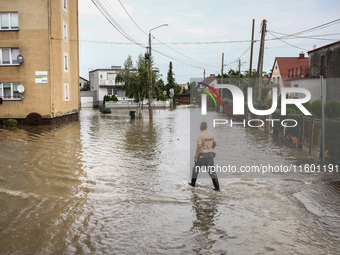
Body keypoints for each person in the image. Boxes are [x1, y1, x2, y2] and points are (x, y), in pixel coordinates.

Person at [189, 122, 220, 191]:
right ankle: (217, 188)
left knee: (195, 170)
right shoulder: (211, 134)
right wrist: (211, 149)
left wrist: (196, 157)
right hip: (210, 155)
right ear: (206, 127)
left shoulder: (200, 135)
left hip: (202, 156)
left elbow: (199, 146)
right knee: (212, 172)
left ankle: (192, 184)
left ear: (201, 127)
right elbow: (215, 143)